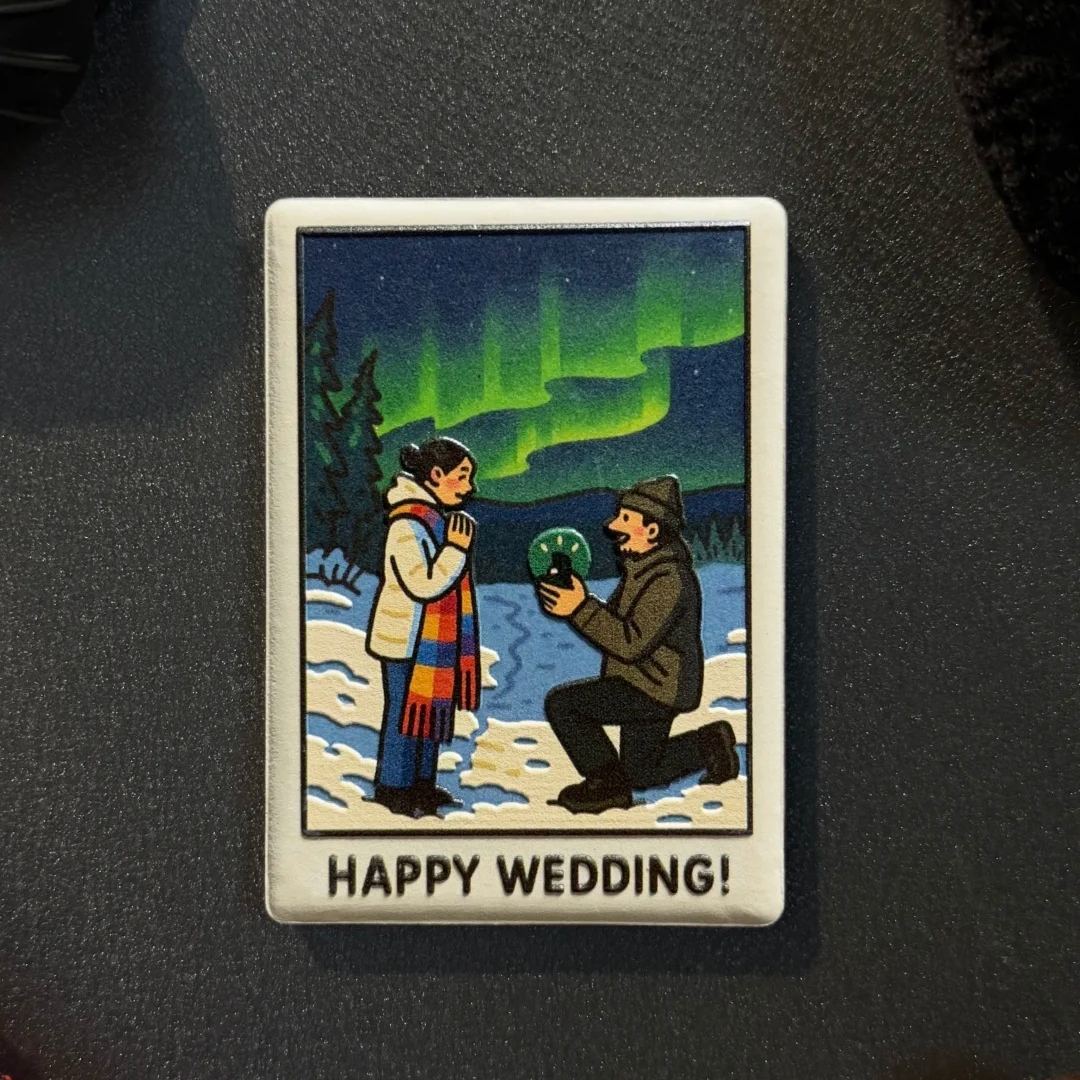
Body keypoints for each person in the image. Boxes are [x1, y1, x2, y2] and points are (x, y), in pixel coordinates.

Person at [538, 475, 740, 814]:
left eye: (625, 519)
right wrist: (578, 606)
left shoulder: (669, 579)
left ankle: (608, 786)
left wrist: (580, 608)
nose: (612, 526)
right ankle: (709, 744)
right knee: (643, 772)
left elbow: (631, 642)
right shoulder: (642, 570)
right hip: (645, 681)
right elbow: (618, 627)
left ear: (652, 530)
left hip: (655, 687)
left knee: (564, 705)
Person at [367, 438, 480, 817]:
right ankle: (394, 787)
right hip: (404, 639)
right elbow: (424, 584)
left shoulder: (433, 520)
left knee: (430, 710)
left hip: (431, 639)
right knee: (405, 713)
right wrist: (456, 550)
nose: (469, 487)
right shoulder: (406, 525)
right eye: (462, 476)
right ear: (435, 475)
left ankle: (421, 784)